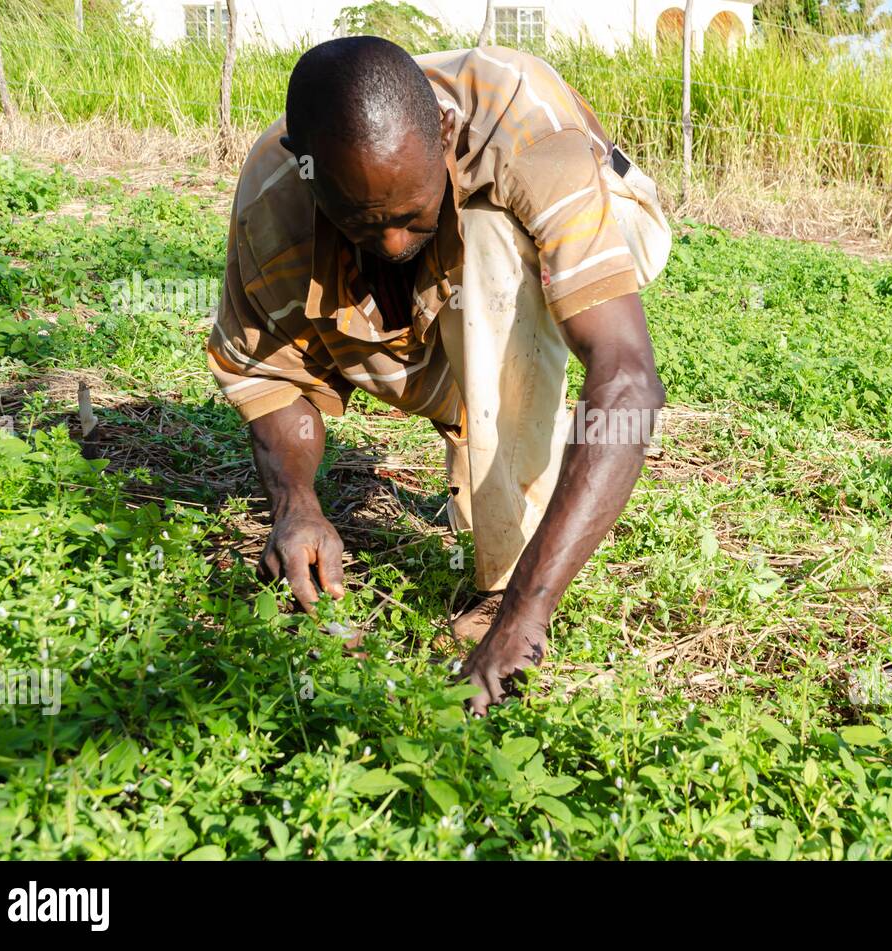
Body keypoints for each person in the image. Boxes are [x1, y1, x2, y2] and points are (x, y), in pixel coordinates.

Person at [206, 37, 671, 715]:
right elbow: (267, 372)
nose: (392, 242)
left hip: (609, 210)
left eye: (406, 215)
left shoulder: (526, 125)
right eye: (366, 222)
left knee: (485, 237)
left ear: (446, 133)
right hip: (434, 312)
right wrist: (296, 507)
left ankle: (503, 578)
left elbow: (627, 377)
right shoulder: (276, 194)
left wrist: (525, 612)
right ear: (309, 175)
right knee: (389, 277)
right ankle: (474, 416)